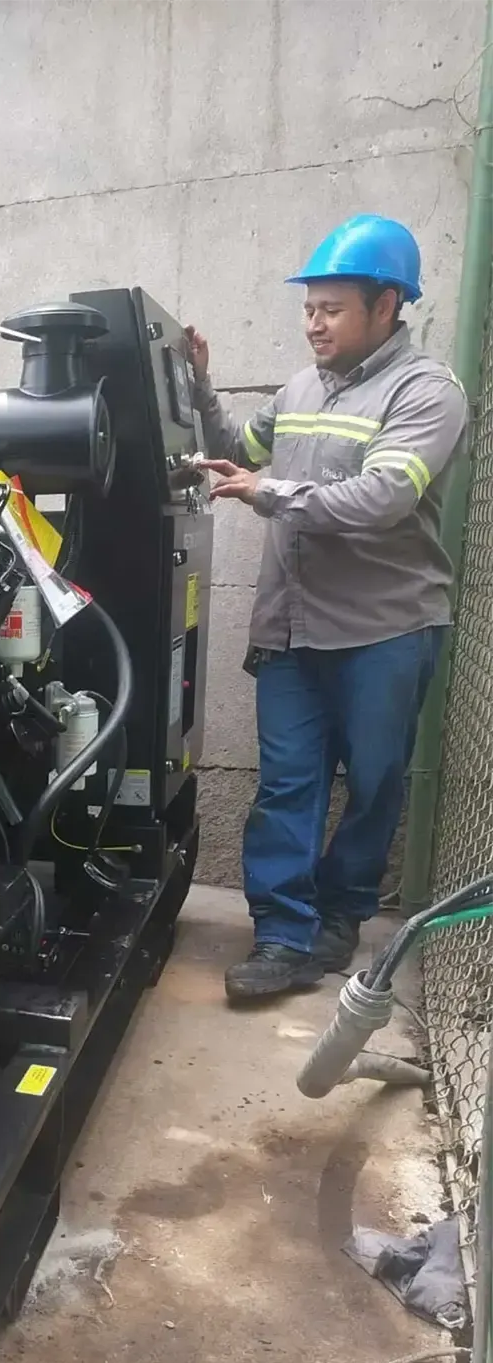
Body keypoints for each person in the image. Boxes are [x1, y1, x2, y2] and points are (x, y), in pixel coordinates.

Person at [185, 214, 468, 1002]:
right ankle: (281, 935)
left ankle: (340, 917)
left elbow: (381, 498)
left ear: (386, 306)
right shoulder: (301, 389)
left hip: (388, 630)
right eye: (309, 307)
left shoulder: (428, 393)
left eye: (332, 308)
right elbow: (241, 451)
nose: (314, 322)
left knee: (374, 780)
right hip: (291, 629)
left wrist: (268, 494)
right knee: (285, 783)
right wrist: (202, 389)